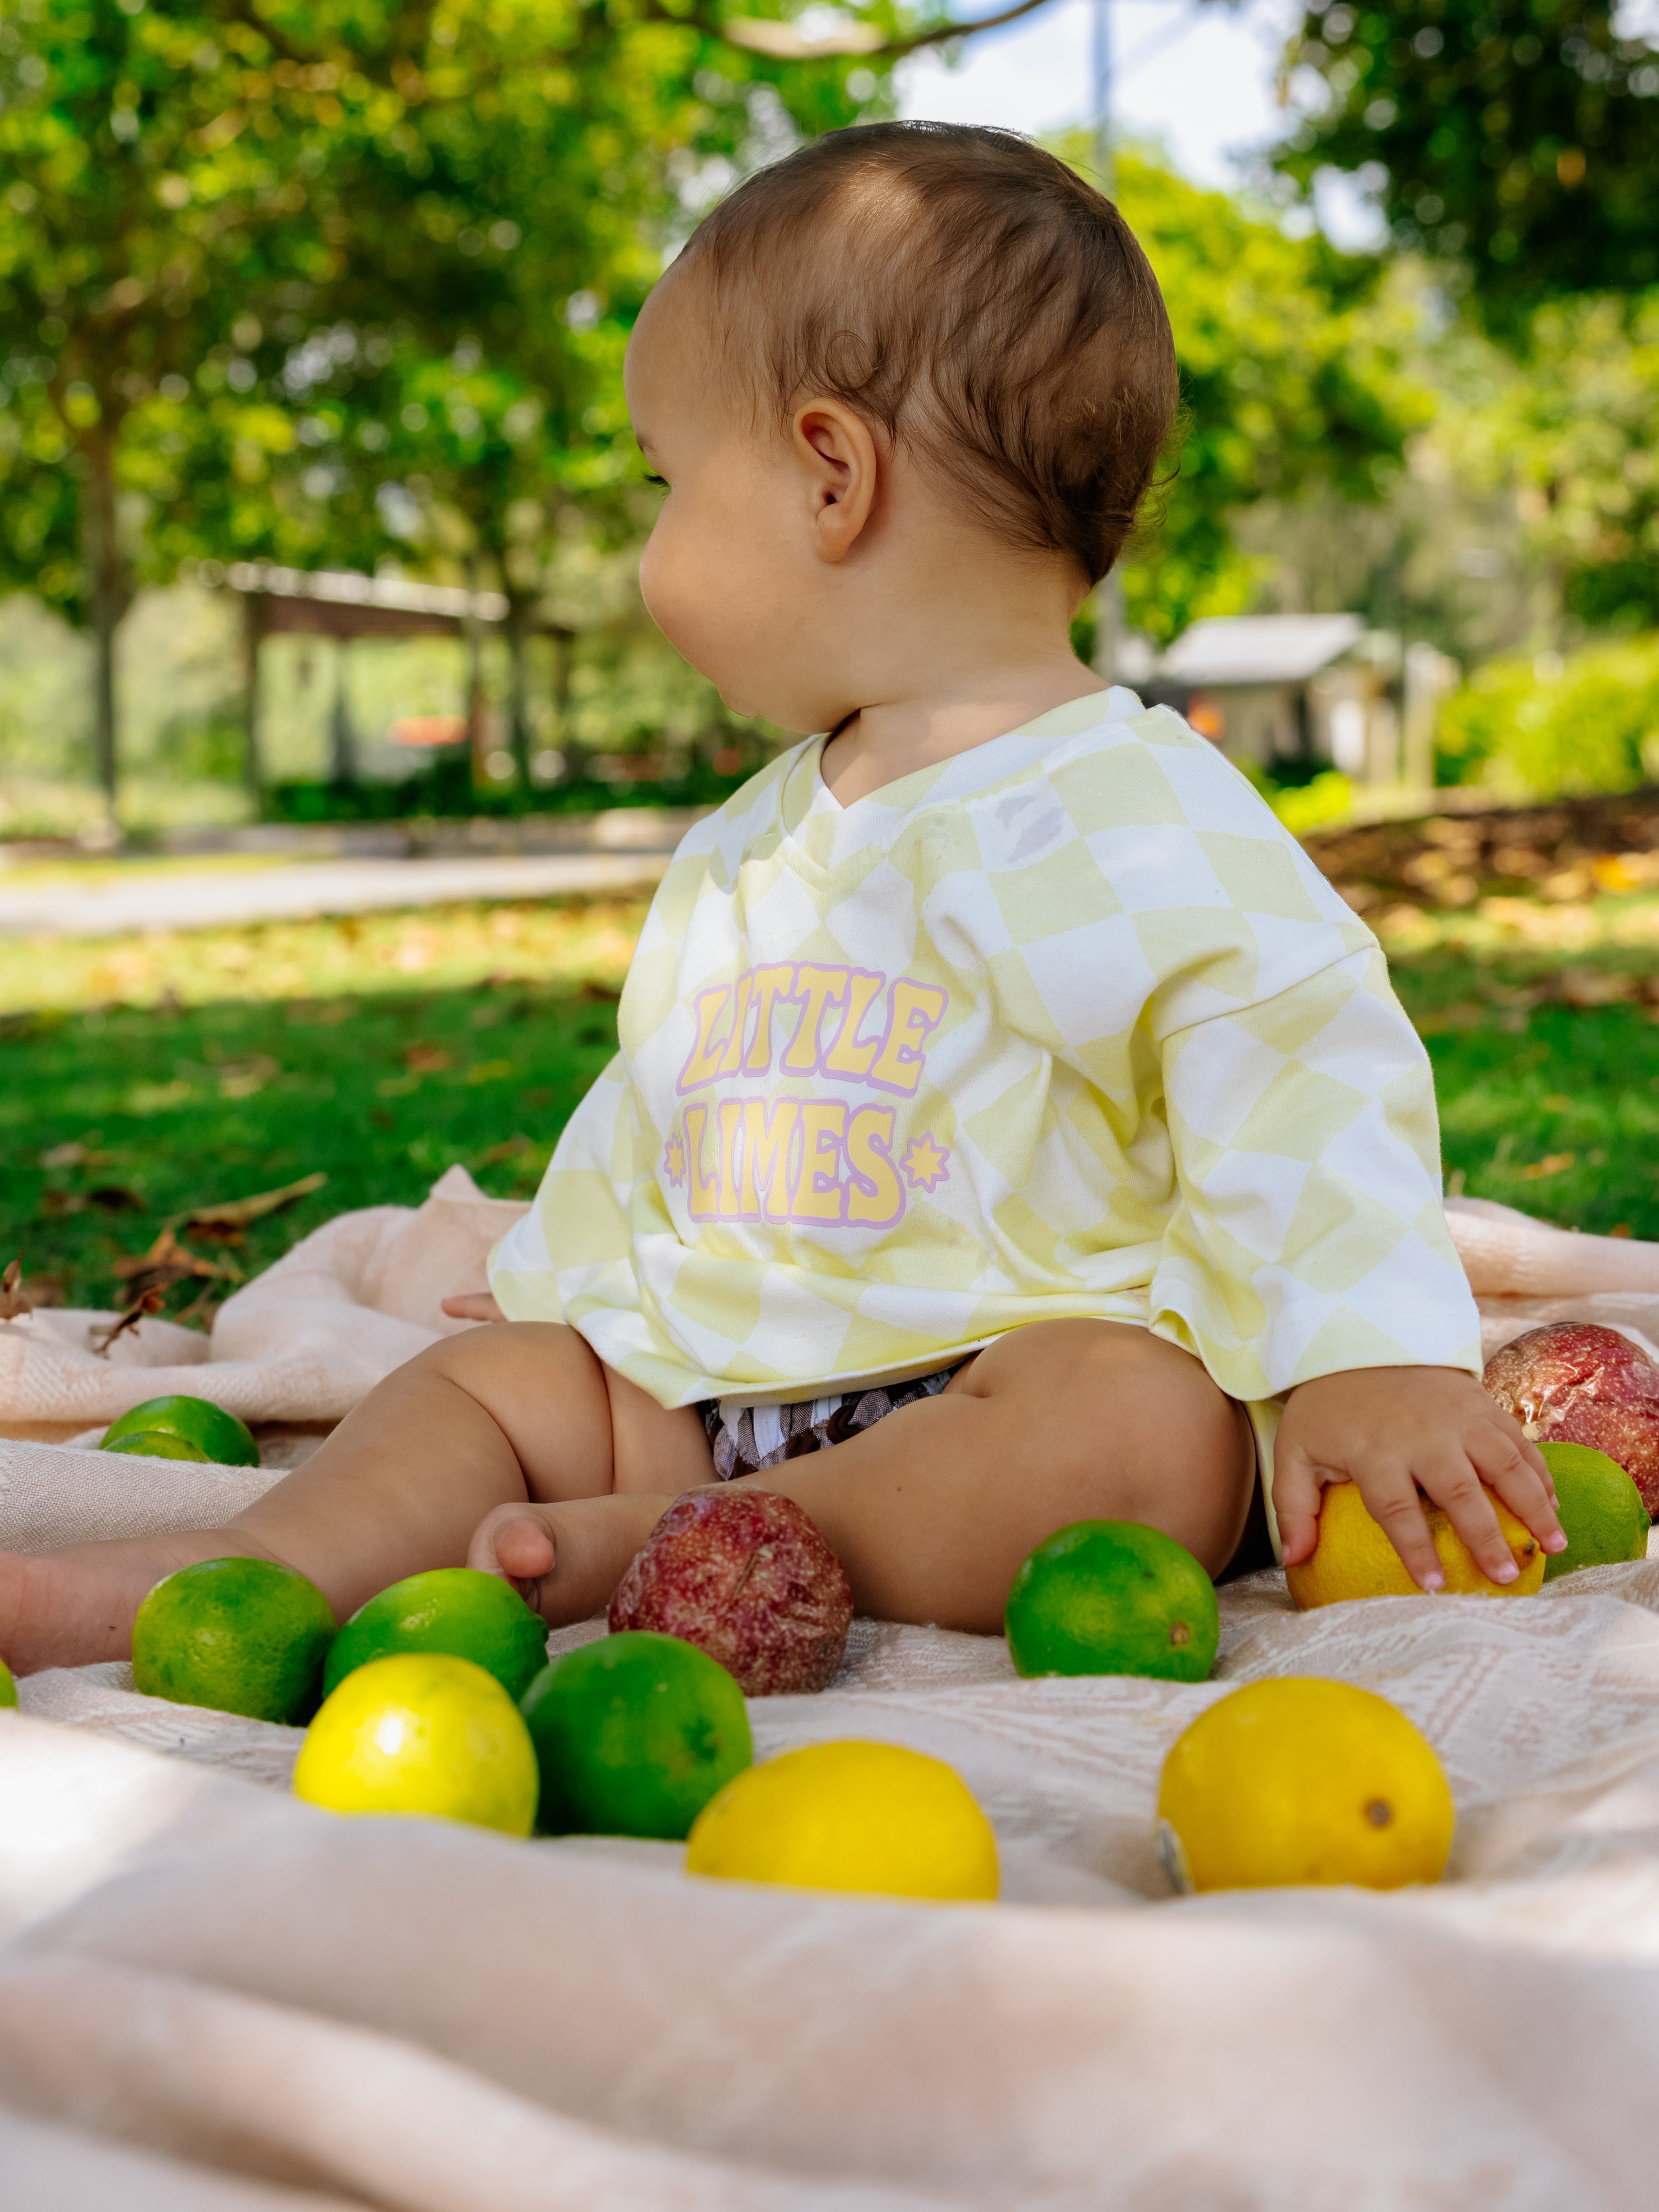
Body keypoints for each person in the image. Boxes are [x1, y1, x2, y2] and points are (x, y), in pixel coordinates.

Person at [0, 122, 1562, 1677]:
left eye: (668, 483)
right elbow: (665, 1086)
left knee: (1144, 1432)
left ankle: (714, 1551)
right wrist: (570, 1281)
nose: (649, 544)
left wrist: (1364, 1355)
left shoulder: (1134, 812)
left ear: (830, 474)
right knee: (492, 1383)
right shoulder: (756, 836)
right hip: (709, 1389)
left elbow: (1300, 1064)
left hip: (992, 1381)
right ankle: (238, 1574)